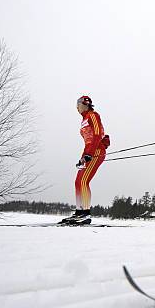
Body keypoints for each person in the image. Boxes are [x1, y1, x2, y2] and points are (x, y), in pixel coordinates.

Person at [59, 95, 110, 226]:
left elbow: (97, 135)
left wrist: (90, 154)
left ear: (84, 104)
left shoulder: (93, 115)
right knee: (78, 181)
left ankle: (85, 213)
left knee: (83, 181)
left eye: (78, 105)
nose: (77, 108)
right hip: (90, 153)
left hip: (96, 152)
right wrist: (83, 157)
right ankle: (79, 212)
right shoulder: (84, 120)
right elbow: (88, 142)